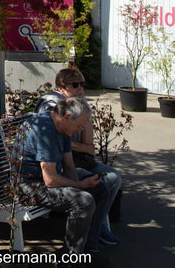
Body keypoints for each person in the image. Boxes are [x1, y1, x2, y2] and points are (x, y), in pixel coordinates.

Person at [16, 96, 111, 264]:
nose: (79, 130)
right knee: (84, 201)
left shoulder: (64, 128)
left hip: (48, 178)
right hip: (29, 185)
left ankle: (88, 249)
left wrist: (81, 186)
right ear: (67, 117)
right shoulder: (44, 129)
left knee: (100, 189)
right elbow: (50, 180)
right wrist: (80, 186)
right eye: (79, 126)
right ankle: (70, 258)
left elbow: (69, 166)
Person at [34, 67, 122, 246]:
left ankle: (96, 230)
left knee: (112, 178)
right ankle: (86, 243)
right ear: (61, 87)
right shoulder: (53, 108)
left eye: (82, 84)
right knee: (94, 191)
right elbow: (59, 140)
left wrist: (86, 117)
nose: (80, 89)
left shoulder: (76, 106)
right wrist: (80, 184)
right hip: (48, 171)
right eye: (75, 85)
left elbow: (89, 146)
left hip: (75, 160)